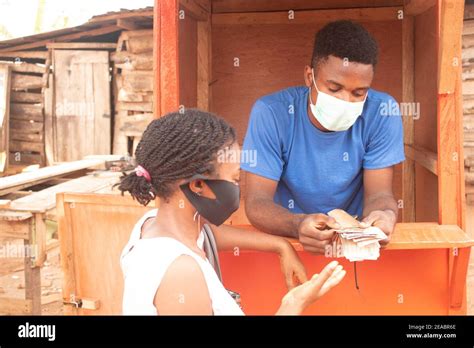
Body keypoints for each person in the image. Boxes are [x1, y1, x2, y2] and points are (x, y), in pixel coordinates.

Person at [118, 109, 346, 315]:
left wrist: (280, 246)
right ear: (198, 186)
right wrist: (292, 306)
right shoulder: (181, 274)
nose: (238, 188)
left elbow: (209, 235)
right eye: (235, 179)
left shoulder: (153, 225)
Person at [241, 20, 406, 255]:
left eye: (358, 93)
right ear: (309, 77)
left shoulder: (382, 111)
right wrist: (298, 225)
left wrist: (384, 215)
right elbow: (257, 203)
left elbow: (380, 194)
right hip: (287, 242)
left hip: (354, 246)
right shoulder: (271, 112)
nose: (345, 101)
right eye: (334, 88)